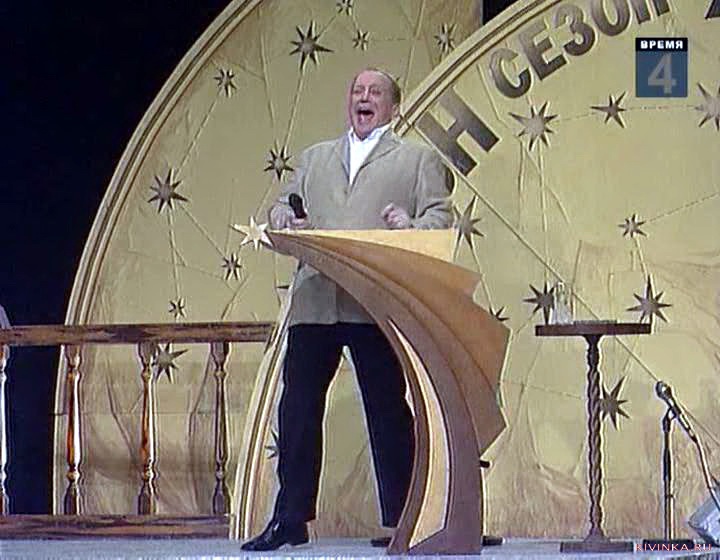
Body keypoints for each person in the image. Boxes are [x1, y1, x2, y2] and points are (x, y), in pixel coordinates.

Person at [241, 68, 453, 551]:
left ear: (393, 107)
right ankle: (290, 519)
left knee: (387, 409)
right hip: (316, 299)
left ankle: (404, 519)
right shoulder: (315, 158)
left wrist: (410, 224)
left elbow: (441, 219)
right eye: (358, 90)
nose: (364, 97)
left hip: (373, 302)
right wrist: (281, 216)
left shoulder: (416, 160)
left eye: (375, 92)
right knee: (297, 409)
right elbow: (283, 206)